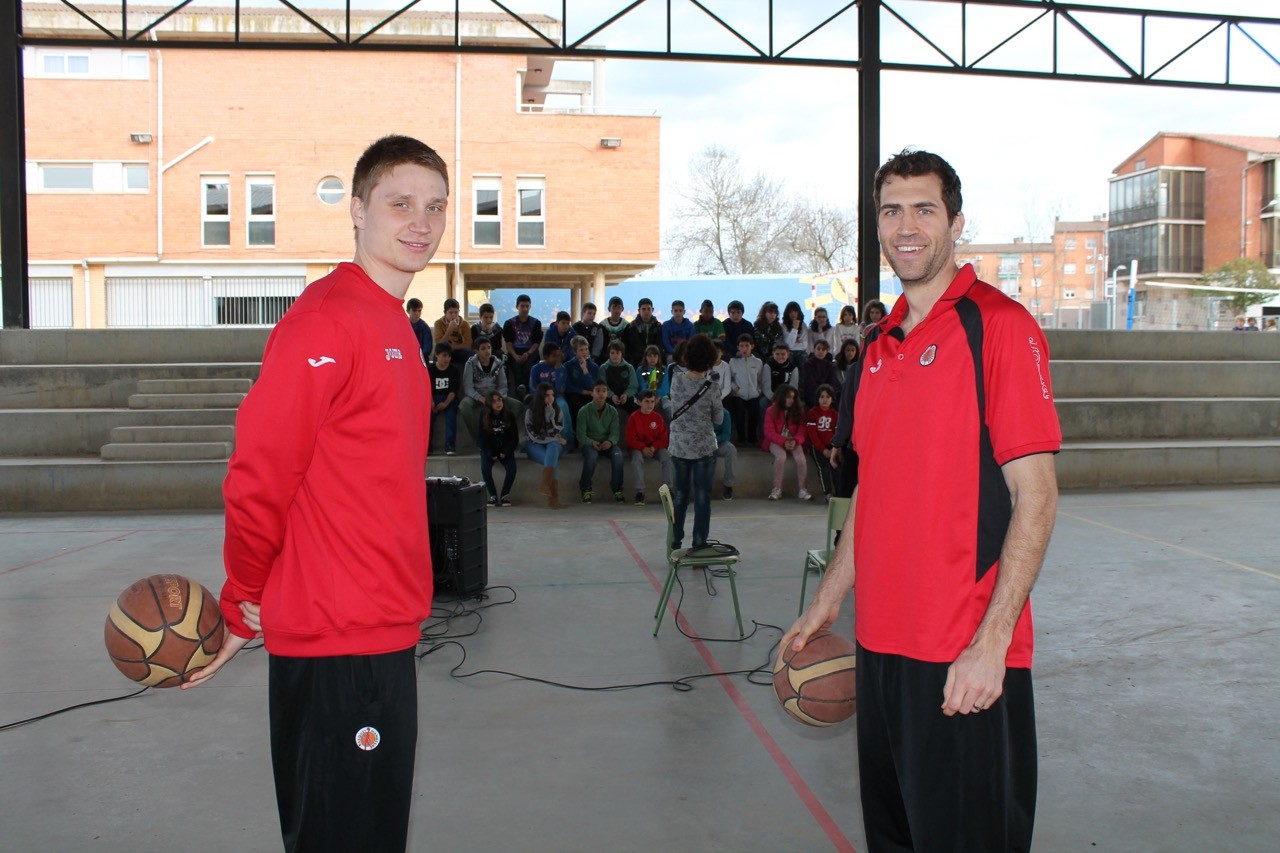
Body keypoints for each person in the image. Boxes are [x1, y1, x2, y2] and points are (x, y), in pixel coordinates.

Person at [785, 149, 1061, 851]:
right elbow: (873, 495)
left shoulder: (999, 327)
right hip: (880, 650)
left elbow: (1037, 498)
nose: (906, 225)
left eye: (924, 208)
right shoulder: (876, 349)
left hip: (961, 652)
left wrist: (991, 644)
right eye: (891, 210)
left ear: (956, 222)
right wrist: (828, 598)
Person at [183, 134, 448, 852]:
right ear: (357, 209)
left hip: (379, 630)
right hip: (340, 640)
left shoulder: (394, 322)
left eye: (435, 206)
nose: (420, 221)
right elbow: (260, 471)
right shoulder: (328, 319)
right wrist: (242, 599)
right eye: (400, 202)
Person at [667, 334, 723, 551]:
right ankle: (699, 542)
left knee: (680, 495)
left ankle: (675, 540)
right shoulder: (712, 387)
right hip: (704, 448)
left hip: (679, 446)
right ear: (710, 359)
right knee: (702, 496)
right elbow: (718, 419)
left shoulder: (676, 379)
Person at [460, 335, 522, 442]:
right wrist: (480, 398)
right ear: (476, 351)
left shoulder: (498, 363)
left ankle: (502, 431)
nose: (487, 351)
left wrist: (496, 399)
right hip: (477, 396)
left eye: (489, 347)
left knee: (518, 406)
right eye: (483, 348)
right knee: (464, 405)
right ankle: (480, 437)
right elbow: (468, 387)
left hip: (494, 395)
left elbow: (503, 385)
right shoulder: (471, 364)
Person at [576, 380, 625, 504]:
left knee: (618, 456)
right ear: (592, 393)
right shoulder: (584, 411)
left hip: (607, 444)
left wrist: (610, 441)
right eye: (598, 391)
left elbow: (615, 432)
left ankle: (617, 488)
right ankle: (585, 488)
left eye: (604, 391)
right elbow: (581, 435)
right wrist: (591, 442)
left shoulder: (612, 411)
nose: (601, 394)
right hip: (590, 444)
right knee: (591, 456)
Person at [763, 384, 810, 501]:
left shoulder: (799, 410)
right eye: (788, 397)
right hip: (775, 442)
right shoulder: (771, 411)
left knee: (801, 459)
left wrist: (795, 440)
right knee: (781, 457)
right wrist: (784, 441)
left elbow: (802, 430)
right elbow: (769, 432)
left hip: (793, 441)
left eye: (793, 397)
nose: (791, 400)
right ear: (782, 397)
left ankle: (803, 490)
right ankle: (777, 489)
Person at [626, 389, 673, 505]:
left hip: (654, 449)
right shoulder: (634, 417)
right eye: (646, 401)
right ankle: (640, 493)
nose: (650, 405)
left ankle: (668, 491)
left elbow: (664, 437)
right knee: (636, 459)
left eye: (652, 401)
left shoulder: (658, 418)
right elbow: (630, 439)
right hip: (638, 449)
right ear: (640, 402)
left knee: (667, 456)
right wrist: (642, 448)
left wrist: (653, 447)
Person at [525, 382, 568, 509]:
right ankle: (554, 498)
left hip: (553, 445)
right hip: (534, 445)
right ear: (540, 396)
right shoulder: (530, 412)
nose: (551, 398)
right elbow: (534, 436)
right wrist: (554, 439)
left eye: (552, 395)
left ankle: (545, 484)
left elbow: (557, 431)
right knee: (551, 458)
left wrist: (550, 416)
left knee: (554, 447)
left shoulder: (558, 410)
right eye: (547, 395)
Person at [528, 342, 574, 447]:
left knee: (563, 406)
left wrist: (558, 370)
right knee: (533, 408)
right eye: (554, 356)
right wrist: (544, 398)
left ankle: (568, 441)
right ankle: (534, 440)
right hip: (540, 397)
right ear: (545, 356)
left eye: (559, 356)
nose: (557, 359)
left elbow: (560, 388)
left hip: (557, 397)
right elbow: (532, 387)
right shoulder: (536, 368)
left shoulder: (562, 368)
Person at [477, 392, 518, 507]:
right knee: (485, 469)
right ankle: (493, 495)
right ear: (489, 404)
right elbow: (481, 437)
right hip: (489, 448)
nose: (498, 403)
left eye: (499, 400)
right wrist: (490, 452)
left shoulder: (509, 415)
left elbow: (514, 438)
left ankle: (505, 495)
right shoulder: (484, 414)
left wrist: (506, 452)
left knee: (511, 470)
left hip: (505, 449)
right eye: (494, 401)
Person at [726, 333, 765, 443]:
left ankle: (752, 437)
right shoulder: (733, 361)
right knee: (739, 413)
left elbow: (761, 379)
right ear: (738, 347)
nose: (744, 349)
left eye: (747, 346)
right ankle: (741, 438)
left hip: (753, 394)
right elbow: (730, 379)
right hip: (738, 395)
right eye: (741, 346)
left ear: (752, 346)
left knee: (754, 412)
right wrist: (735, 388)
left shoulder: (758, 362)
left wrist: (758, 391)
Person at [503, 293, 543, 394]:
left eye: (527, 306)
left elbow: (536, 343)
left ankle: (528, 393)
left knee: (528, 368)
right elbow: (508, 343)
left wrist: (528, 353)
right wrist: (515, 356)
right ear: (517, 307)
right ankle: (520, 393)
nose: (525, 309)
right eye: (522, 306)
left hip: (530, 351)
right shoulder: (509, 323)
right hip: (515, 351)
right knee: (517, 369)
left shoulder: (536, 323)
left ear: (530, 307)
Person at [427, 342, 461, 456]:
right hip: (433, 397)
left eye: (449, 356)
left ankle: (450, 445)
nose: (447, 359)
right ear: (436, 355)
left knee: (451, 417)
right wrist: (432, 402)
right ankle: (427, 445)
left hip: (449, 398)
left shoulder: (453, 370)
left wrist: (445, 403)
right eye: (444, 355)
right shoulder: (430, 370)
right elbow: (428, 389)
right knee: (428, 418)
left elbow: (453, 390)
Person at [805, 384, 838, 502]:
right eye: (822, 397)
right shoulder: (812, 413)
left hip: (832, 446)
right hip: (817, 446)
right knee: (823, 467)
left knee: (836, 467)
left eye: (827, 397)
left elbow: (836, 432)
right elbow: (813, 435)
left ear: (832, 399)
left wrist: (834, 448)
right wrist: (823, 450)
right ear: (817, 399)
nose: (824, 400)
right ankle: (828, 494)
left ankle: (839, 494)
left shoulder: (834, 413)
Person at [564, 335, 600, 418]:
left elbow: (592, 386)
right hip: (575, 394)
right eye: (581, 350)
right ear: (574, 351)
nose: (584, 352)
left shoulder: (594, 366)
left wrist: (585, 369)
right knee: (575, 402)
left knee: (594, 403)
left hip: (589, 394)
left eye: (586, 349)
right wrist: (582, 391)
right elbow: (567, 386)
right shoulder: (568, 365)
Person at [599, 339, 639, 414]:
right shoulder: (603, 368)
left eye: (617, 353)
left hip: (625, 396)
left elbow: (634, 386)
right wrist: (611, 395)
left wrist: (626, 394)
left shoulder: (629, 367)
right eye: (612, 353)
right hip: (609, 396)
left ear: (622, 354)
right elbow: (602, 386)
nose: (615, 356)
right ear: (609, 354)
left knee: (636, 408)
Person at [624, 297, 664, 366]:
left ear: (652, 310)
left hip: (654, 357)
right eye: (643, 309)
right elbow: (631, 346)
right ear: (639, 310)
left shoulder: (658, 326)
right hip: (637, 359)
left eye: (649, 309)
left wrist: (651, 355)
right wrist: (645, 356)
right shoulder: (632, 327)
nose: (646, 311)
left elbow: (659, 344)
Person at [800, 338, 839, 407]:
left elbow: (832, 382)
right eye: (818, 349)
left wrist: (826, 394)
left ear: (827, 351)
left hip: (827, 393)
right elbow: (809, 382)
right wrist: (820, 395)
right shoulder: (808, 364)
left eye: (823, 349)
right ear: (814, 350)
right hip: (812, 394)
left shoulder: (830, 365)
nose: (820, 351)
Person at [433, 297, 473, 363]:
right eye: (450, 313)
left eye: (456, 312)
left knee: (470, 355)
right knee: (437, 355)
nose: (454, 315)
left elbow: (468, 344)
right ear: (445, 313)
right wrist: (449, 330)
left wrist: (452, 347)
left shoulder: (465, 324)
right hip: (444, 350)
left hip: (460, 350)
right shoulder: (438, 323)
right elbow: (439, 345)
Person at [713, 404, 737, 501]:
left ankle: (728, 485)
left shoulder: (725, 413)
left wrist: (715, 440)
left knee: (731, 449)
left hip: (719, 442)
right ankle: (701, 486)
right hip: (704, 443)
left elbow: (726, 435)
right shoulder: (701, 412)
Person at [782, 300, 811, 367]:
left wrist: (796, 345)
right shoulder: (783, 325)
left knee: (804, 358)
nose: (793, 314)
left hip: (801, 352)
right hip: (788, 352)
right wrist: (795, 329)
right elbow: (789, 345)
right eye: (790, 311)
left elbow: (804, 345)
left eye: (795, 311)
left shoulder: (803, 325)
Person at [405, 297, 431, 361]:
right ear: (408, 311)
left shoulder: (424, 327)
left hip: (421, 359)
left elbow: (427, 347)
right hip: (406, 358)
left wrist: (418, 356)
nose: (417, 313)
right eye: (414, 310)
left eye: (419, 311)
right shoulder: (404, 326)